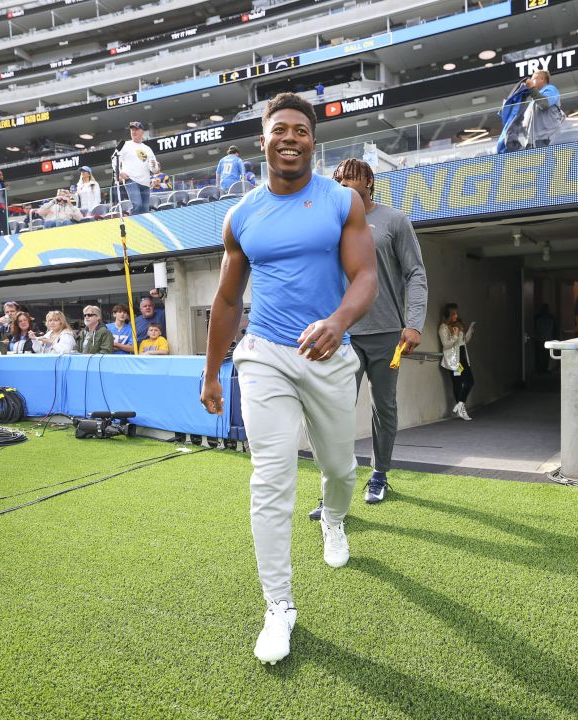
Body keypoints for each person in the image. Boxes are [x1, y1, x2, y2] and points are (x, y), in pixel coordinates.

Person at [199, 92, 377, 665]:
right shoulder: (241, 214)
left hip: (330, 355)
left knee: (339, 469)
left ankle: (334, 519)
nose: (291, 138)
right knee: (269, 479)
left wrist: (339, 320)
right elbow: (226, 300)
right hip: (264, 355)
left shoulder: (342, 201)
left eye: (301, 130)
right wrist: (211, 372)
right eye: (281, 129)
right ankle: (279, 606)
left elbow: (366, 275)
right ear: (264, 141)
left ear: (313, 142)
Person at [308, 158, 427, 517]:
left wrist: (415, 323)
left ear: (369, 182)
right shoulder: (328, 224)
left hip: (387, 332)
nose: (343, 182)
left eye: (351, 177)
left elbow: (416, 273)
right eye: (338, 178)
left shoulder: (394, 221)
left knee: (384, 408)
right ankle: (333, 490)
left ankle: (379, 474)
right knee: (334, 411)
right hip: (341, 334)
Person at [495, 69, 564, 153]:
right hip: (534, 144)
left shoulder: (550, 89)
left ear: (542, 79)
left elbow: (544, 104)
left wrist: (531, 87)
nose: (531, 81)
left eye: (533, 79)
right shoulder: (533, 102)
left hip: (548, 140)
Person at [438, 303, 476, 420]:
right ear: (448, 314)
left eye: (456, 313)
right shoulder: (443, 327)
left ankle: (460, 404)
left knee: (469, 381)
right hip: (454, 360)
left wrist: (469, 331)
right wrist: (454, 335)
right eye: (453, 313)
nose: (456, 316)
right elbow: (446, 344)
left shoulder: (457, 325)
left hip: (463, 358)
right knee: (458, 382)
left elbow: (464, 341)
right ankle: (461, 408)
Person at [114, 121, 160, 214]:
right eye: (132, 130)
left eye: (136, 129)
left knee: (145, 211)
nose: (133, 132)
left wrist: (154, 165)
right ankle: (131, 223)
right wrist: (119, 172)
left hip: (145, 184)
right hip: (131, 180)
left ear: (142, 132)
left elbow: (154, 170)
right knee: (137, 204)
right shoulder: (124, 145)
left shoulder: (147, 149)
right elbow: (114, 159)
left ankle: (142, 227)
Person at [532, 303, 558, 374]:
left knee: (544, 355)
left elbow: (554, 329)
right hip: (542, 339)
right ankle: (542, 369)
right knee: (542, 355)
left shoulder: (540, 317)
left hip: (544, 339)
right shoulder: (539, 317)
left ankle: (543, 369)